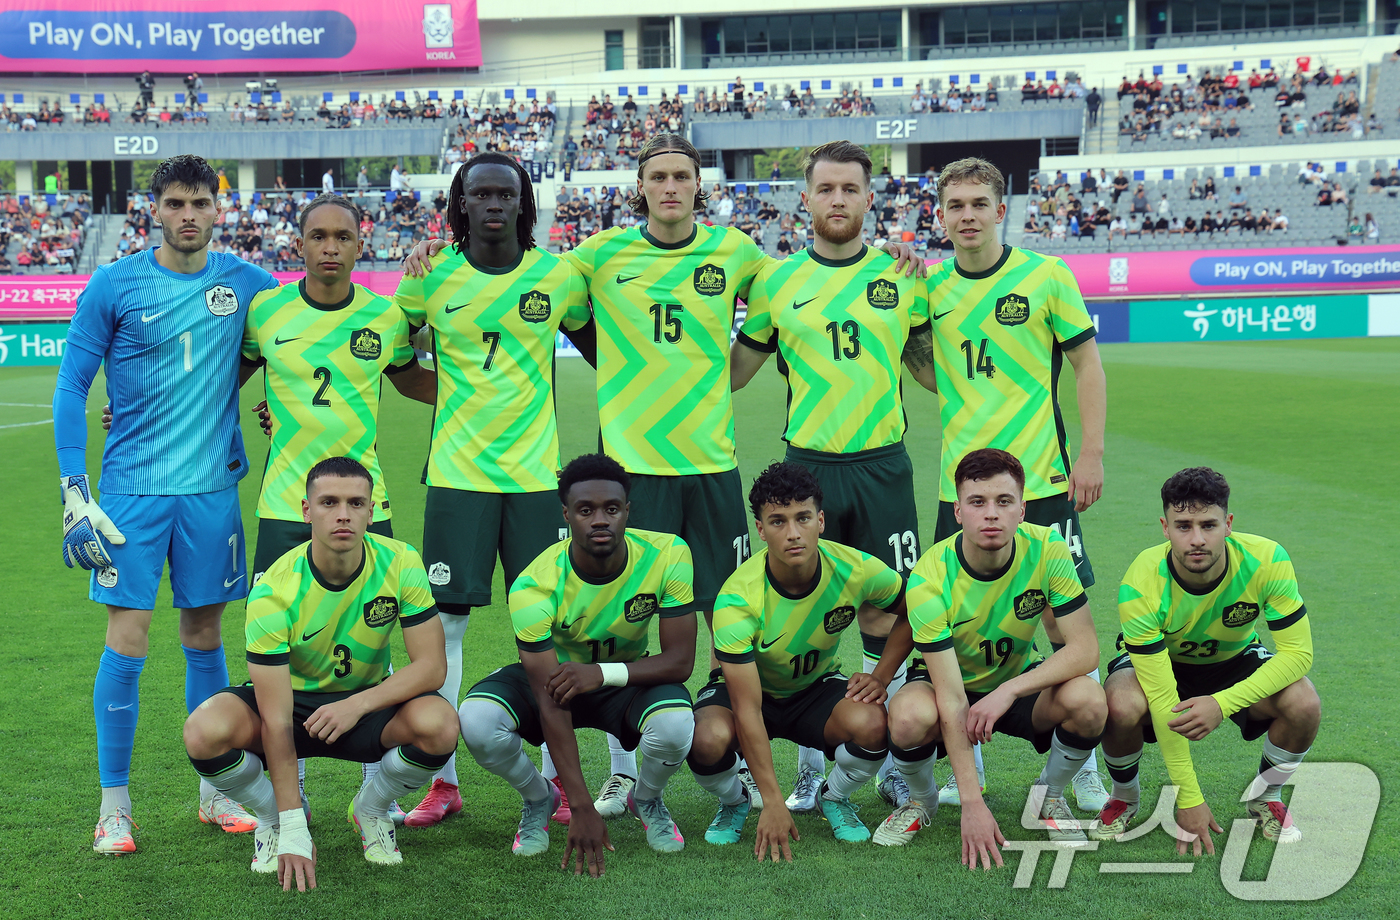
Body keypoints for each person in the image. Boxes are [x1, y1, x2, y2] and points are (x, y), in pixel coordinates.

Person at [403, 137, 924, 814]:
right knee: (619, 616)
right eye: (658, 176)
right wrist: (429, 256)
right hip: (631, 472)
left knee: (726, 615)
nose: (671, 186)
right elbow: (478, 302)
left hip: (710, 465)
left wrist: (901, 259)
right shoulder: (594, 257)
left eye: (682, 175)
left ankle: (743, 755)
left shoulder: (737, 254)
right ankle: (618, 767)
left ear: (698, 186)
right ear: (640, 186)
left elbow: (813, 281)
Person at [52, 155, 280, 854]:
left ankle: (215, 794)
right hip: (132, 497)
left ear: (220, 210)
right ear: (155, 209)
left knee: (206, 638)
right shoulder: (114, 283)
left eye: (201, 203)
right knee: (128, 640)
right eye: (176, 202)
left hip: (212, 494)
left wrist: (270, 405)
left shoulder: (250, 285)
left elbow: (302, 340)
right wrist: (74, 493)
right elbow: (71, 388)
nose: (189, 214)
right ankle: (113, 807)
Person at [731, 140, 937, 813]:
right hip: (808, 469)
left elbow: (937, 374)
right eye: (826, 189)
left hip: (883, 466)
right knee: (802, 615)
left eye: (851, 189)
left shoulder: (905, 277)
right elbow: (734, 372)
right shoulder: (775, 282)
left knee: (893, 611)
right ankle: (810, 766)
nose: (838, 200)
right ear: (807, 199)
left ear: (870, 199)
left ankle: (901, 759)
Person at [391, 153, 593, 826]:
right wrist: (455, 397)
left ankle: (557, 780)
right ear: (461, 206)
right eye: (480, 195)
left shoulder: (557, 279)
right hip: (457, 480)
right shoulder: (428, 280)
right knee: (443, 630)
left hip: (538, 483)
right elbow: (394, 364)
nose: (494, 204)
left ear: (524, 204)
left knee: (546, 630)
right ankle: (442, 783)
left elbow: (606, 352)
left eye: (506, 194)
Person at [924, 157, 1108, 812]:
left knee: (1065, 626)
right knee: (959, 626)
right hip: (961, 493)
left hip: (1044, 481)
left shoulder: (1046, 276)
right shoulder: (930, 291)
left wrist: (1089, 451)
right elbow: (923, 365)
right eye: (955, 205)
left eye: (979, 203)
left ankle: (1077, 766)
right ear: (940, 216)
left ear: (1002, 210)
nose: (967, 215)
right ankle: (963, 757)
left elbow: (1087, 364)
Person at [183, 457, 459, 885]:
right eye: (329, 502)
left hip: (364, 706)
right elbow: (275, 718)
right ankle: (275, 818)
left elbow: (431, 667)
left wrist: (357, 704)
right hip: (290, 709)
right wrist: (294, 826)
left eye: (356, 502)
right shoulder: (274, 590)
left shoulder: (401, 561)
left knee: (439, 724)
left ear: (372, 510)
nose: (344, 514)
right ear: (307, 510)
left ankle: (371, 808)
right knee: (205, 731)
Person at [458, 454, 698, 873]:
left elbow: (679, 663)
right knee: (478, 720)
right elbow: (550, 698)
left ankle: (646, 797)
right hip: (555, 679)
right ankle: (539, 797)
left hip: (622, 678)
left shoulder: (668, 554)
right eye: (586, 510)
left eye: (611, 509)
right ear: (566, 514)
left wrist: (601, 674)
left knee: (676, 724)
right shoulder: (534, 584)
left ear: (628, 511)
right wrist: (581, 804)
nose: (600, 520)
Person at [875, 448, 1104, 849]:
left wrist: (1009, 691)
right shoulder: (930, 576)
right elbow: (950, 696)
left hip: (1016, 682)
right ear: (958, 511)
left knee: (1089, 700)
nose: (991, 514)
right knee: (908, 715)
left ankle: (1047, 798)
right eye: (977, 502)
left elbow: (1085, 650)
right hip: (947, 684)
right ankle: (922, 800)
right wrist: (972, 804)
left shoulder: (1048, 548)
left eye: (1004, 501)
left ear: (1022, 509)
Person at [1090, 468, 1320, 853]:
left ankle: (1267, 795)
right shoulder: (1141, 581)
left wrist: (1221, 703)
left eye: (1208, 525)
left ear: (1228, 524)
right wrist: (1189, 797)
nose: (1197, 539)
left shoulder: (1266, 559)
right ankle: (1124, 796)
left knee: (1304, 701)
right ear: (1165, 527)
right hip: (1163, 665)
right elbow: (1163, 698)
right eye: (1183, 526)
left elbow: (1299, 654)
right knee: (1119, 702)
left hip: (1235, 659)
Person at [688, 463, 909, 856]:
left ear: (820, 520)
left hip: (813, 690)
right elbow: (747, 708)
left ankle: (834, 797)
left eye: (803, 518)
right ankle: (736, 801)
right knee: (705, 739)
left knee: (874, 722)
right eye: (777, 521)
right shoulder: (738, 598)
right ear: (760, 529)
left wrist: (882, 675)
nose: (792, 533)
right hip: (748, 694)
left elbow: (914, 610)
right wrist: (772, 802)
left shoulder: (854, 568)